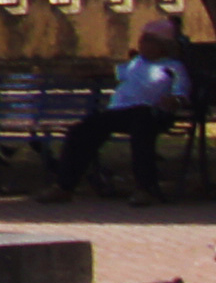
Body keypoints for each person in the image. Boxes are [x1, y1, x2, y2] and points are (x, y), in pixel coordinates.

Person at [49, 19, 198, 205]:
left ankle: (146, 188)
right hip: (119, 112)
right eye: (142, 40)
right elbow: (112, 72)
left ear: (162, 45)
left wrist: (174, 100)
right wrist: (82, 71)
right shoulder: (135, 63)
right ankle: (64, 187)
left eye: (148, 40)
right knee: (80, 131)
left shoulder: (173, 67)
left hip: (150, 112)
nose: (142, 44)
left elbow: (181, 93)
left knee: (142, 132)